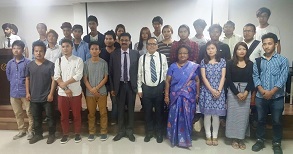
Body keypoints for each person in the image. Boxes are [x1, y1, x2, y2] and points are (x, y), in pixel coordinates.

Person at [251, 33, 289, 154]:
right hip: (260, 96)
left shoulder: (283, 60)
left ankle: (277, 143)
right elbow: (255, 76)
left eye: (270, 43)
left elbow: (283, 78)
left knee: (277, 120)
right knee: (260, 119)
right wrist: (262, 91)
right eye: (264, 44)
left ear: (276, 44)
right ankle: (260, 140)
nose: (267, 46)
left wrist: (271, 92)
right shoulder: (258, 61)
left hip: (277, 97)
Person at [165, 45, 200, 148]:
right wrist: (166, 95)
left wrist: (197, 93)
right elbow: (167, 81)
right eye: (180, 53)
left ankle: (186, 139)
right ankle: (174, 137)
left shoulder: (193, 66)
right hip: (175, 96)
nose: (182, 55)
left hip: (189, 97)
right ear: (177, 54)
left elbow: (197, 80)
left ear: (188, 54)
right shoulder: (173, 66)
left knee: (187, 117)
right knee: (174, 116)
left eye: (185, 53)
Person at [109, 32, 140, 142]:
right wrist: (112, 88)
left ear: (130, 41)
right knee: (120, 109)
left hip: (131, 86)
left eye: (126, 40)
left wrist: (137, 86)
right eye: (122, 40)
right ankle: (121, 131)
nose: (124, 42)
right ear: (118, 41)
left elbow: (138, 72)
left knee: (131, 109)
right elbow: (111, 73)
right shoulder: (114, 54)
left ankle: (130, 131)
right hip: (119, 86)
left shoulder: (135, 54)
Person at [137, 37, 168, 143]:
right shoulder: (142, 58)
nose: (151, 46)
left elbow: (165, 73)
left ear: (157, 46)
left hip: (159, 87)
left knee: (159, 112)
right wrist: (139, 88)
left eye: (154, 44)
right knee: (147, 112)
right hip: (146, 88)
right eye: (149, 44)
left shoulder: (162, 57)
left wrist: (165, 88)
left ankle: (159, 133)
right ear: (146, 46)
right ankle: (149, 132)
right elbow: (140, 74)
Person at [25, 41, 56, 144]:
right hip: (34, 96)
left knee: (50, 117)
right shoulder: (29, 65)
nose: (38, 53)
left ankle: (52, 135)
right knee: (36, 117)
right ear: (33, 52)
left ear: (44, 52)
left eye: (41, 51)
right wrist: (27, 93)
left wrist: (51, 94)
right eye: (36, 51)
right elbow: (27, 79)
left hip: (47, 97)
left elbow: (54, 80)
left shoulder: (50, 65)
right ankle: (38, 134)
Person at [54, 39, 84, 144]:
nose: (65, 48)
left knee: (77, 115)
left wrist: (64, 84)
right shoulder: (59, 60)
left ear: (72, 47)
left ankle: (77, 133)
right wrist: (66, 89)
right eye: (63, 46)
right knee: (64, 115)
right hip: (62, 93)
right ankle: (65, 134)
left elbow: (78, 76)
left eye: (67, 46)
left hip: (75, 92)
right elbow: (57, 76)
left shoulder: (78, 60)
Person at [225, 42, 254, 150]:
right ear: (235, 51)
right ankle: (234, 138)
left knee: (243, 116)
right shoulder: (230, 63)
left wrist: (246, 92)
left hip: (246, 91)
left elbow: (252, 79)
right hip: (233, 92)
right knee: (233, 115)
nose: (241, 51)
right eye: (239, 49)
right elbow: (228, 79)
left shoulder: (250, 63)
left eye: (244, 49)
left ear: (246, 51)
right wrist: (237, 93)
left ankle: (241, 138)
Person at [199, 41, 226, 146]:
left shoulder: (222, 61)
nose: (210, 50)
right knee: (207, 115)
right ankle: (208, 136)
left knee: (216, 116)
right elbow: (203, 77)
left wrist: (218, 90)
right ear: (206, 50)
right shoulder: (203, 62)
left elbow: (223, 77)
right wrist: (211, 90)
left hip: (219, 91)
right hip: (207, 91)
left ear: (216, 49)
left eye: (212, 48)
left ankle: (215, 136)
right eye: (208, 48)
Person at [6, 40, 33, 140]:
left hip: (25, 92)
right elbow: (9, 76)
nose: (16, 50)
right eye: (14, 48)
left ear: (22, 50)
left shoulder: (28, 62)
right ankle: (21, 130)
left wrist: (28, 91)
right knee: (18, 113)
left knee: (30, 112)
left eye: (18, 48)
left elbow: (30, 78)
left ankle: (31, 130)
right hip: (13, 92)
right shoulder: (9, 63)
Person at [84, 41, 108, 141]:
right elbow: (85, 79)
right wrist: (92, 90)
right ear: (89, 51)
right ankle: (92, 132)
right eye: (92, 49)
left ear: (99, 51)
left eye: (96, 49)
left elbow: (105, 78)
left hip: (102, 92)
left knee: (103, 113)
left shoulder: (104, 63)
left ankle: (103, 131)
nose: (94, 51)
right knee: (91, 113)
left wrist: (96, 88)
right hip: (89, 93)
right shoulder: (86, 63)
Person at [100, 30, 118, 125]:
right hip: (102, 81)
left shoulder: (118, 52)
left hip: (114, 81)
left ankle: (113, 119)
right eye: (106, 38)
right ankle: (103, 119)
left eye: (110, 38)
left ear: (114, 40)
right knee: (102, 102)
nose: (108, 40)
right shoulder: (101, 51)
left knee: (115, 101)